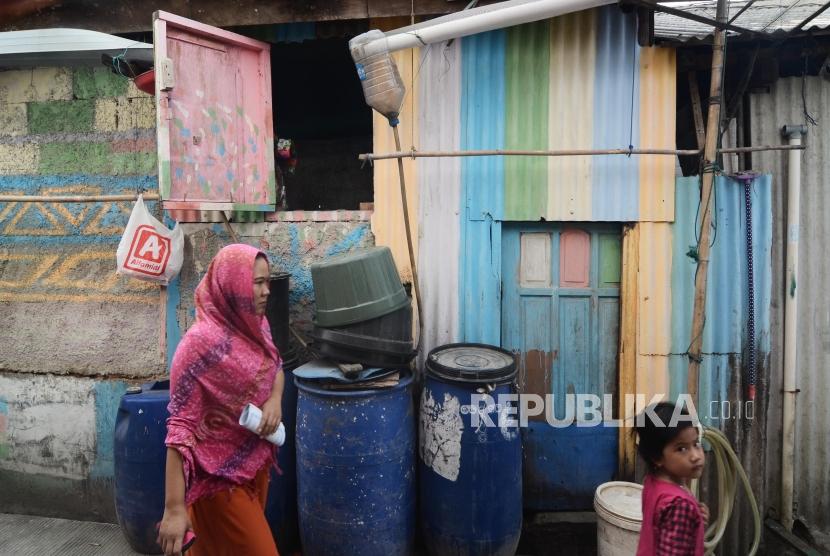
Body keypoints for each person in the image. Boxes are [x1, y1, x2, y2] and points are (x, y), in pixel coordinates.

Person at [157, 244, 284, 556]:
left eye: (267, 282)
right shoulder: (198, 347)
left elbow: (275, 365)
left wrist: (275, 400)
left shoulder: (257, 326)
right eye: (257, 283)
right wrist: (174, 508)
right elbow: (181, 428)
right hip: (218, 483)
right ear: (232, 284)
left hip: (255, 466)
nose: (266, 291)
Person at [634, 402, 709, 556]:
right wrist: (688, 513)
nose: (695, 456)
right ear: (657, 457)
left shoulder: (653, 483)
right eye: (681, 449)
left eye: (696, 444)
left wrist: (695, 521)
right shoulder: (680, 505)